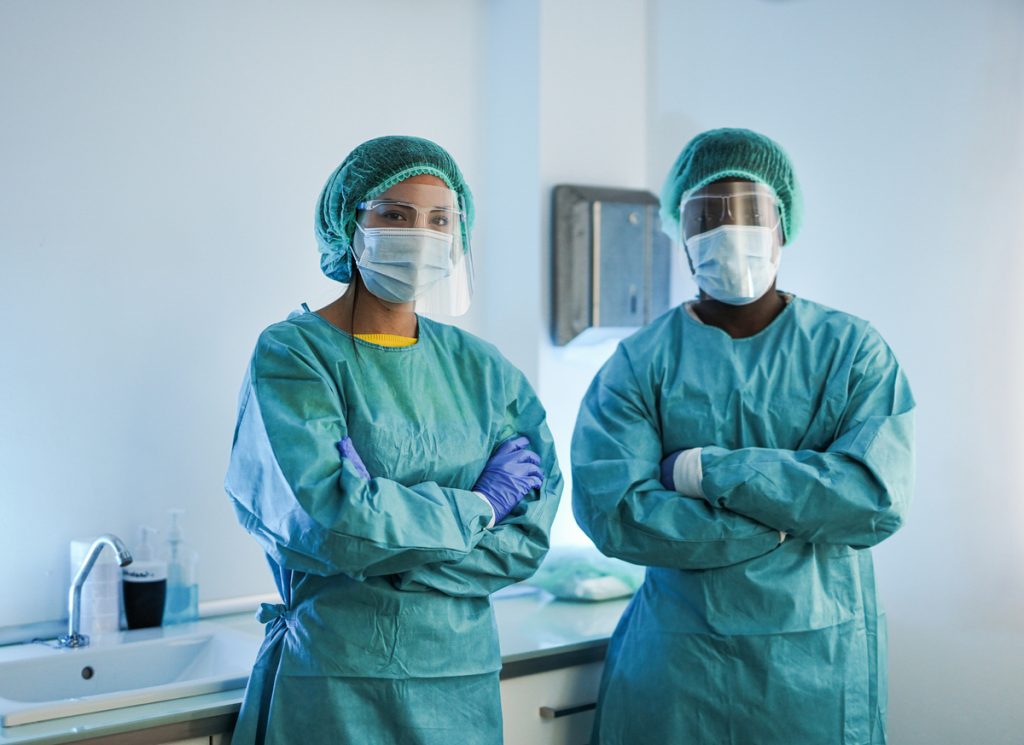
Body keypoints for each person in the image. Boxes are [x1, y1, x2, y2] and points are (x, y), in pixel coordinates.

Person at [571, 128, 914, 745]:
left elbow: (873, 498)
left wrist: (701, 472)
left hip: (817, 671)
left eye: (752, 212)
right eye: (708, 214)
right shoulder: (641, 362)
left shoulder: (851, 351)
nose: (731, 230)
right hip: (679, 671)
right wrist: (789, 518)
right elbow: (614, 511)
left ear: (784, 225)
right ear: (680, 233)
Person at [225, 135, 562, 745]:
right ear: (348, 222)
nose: (422, 235)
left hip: (461, 685)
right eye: (396, 216)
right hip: (337, 684)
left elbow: (530, 537)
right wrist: (481, 506)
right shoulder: (295, 356)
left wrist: (382, 541)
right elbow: (332, 522)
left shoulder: (482, 369)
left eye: (440, 220)